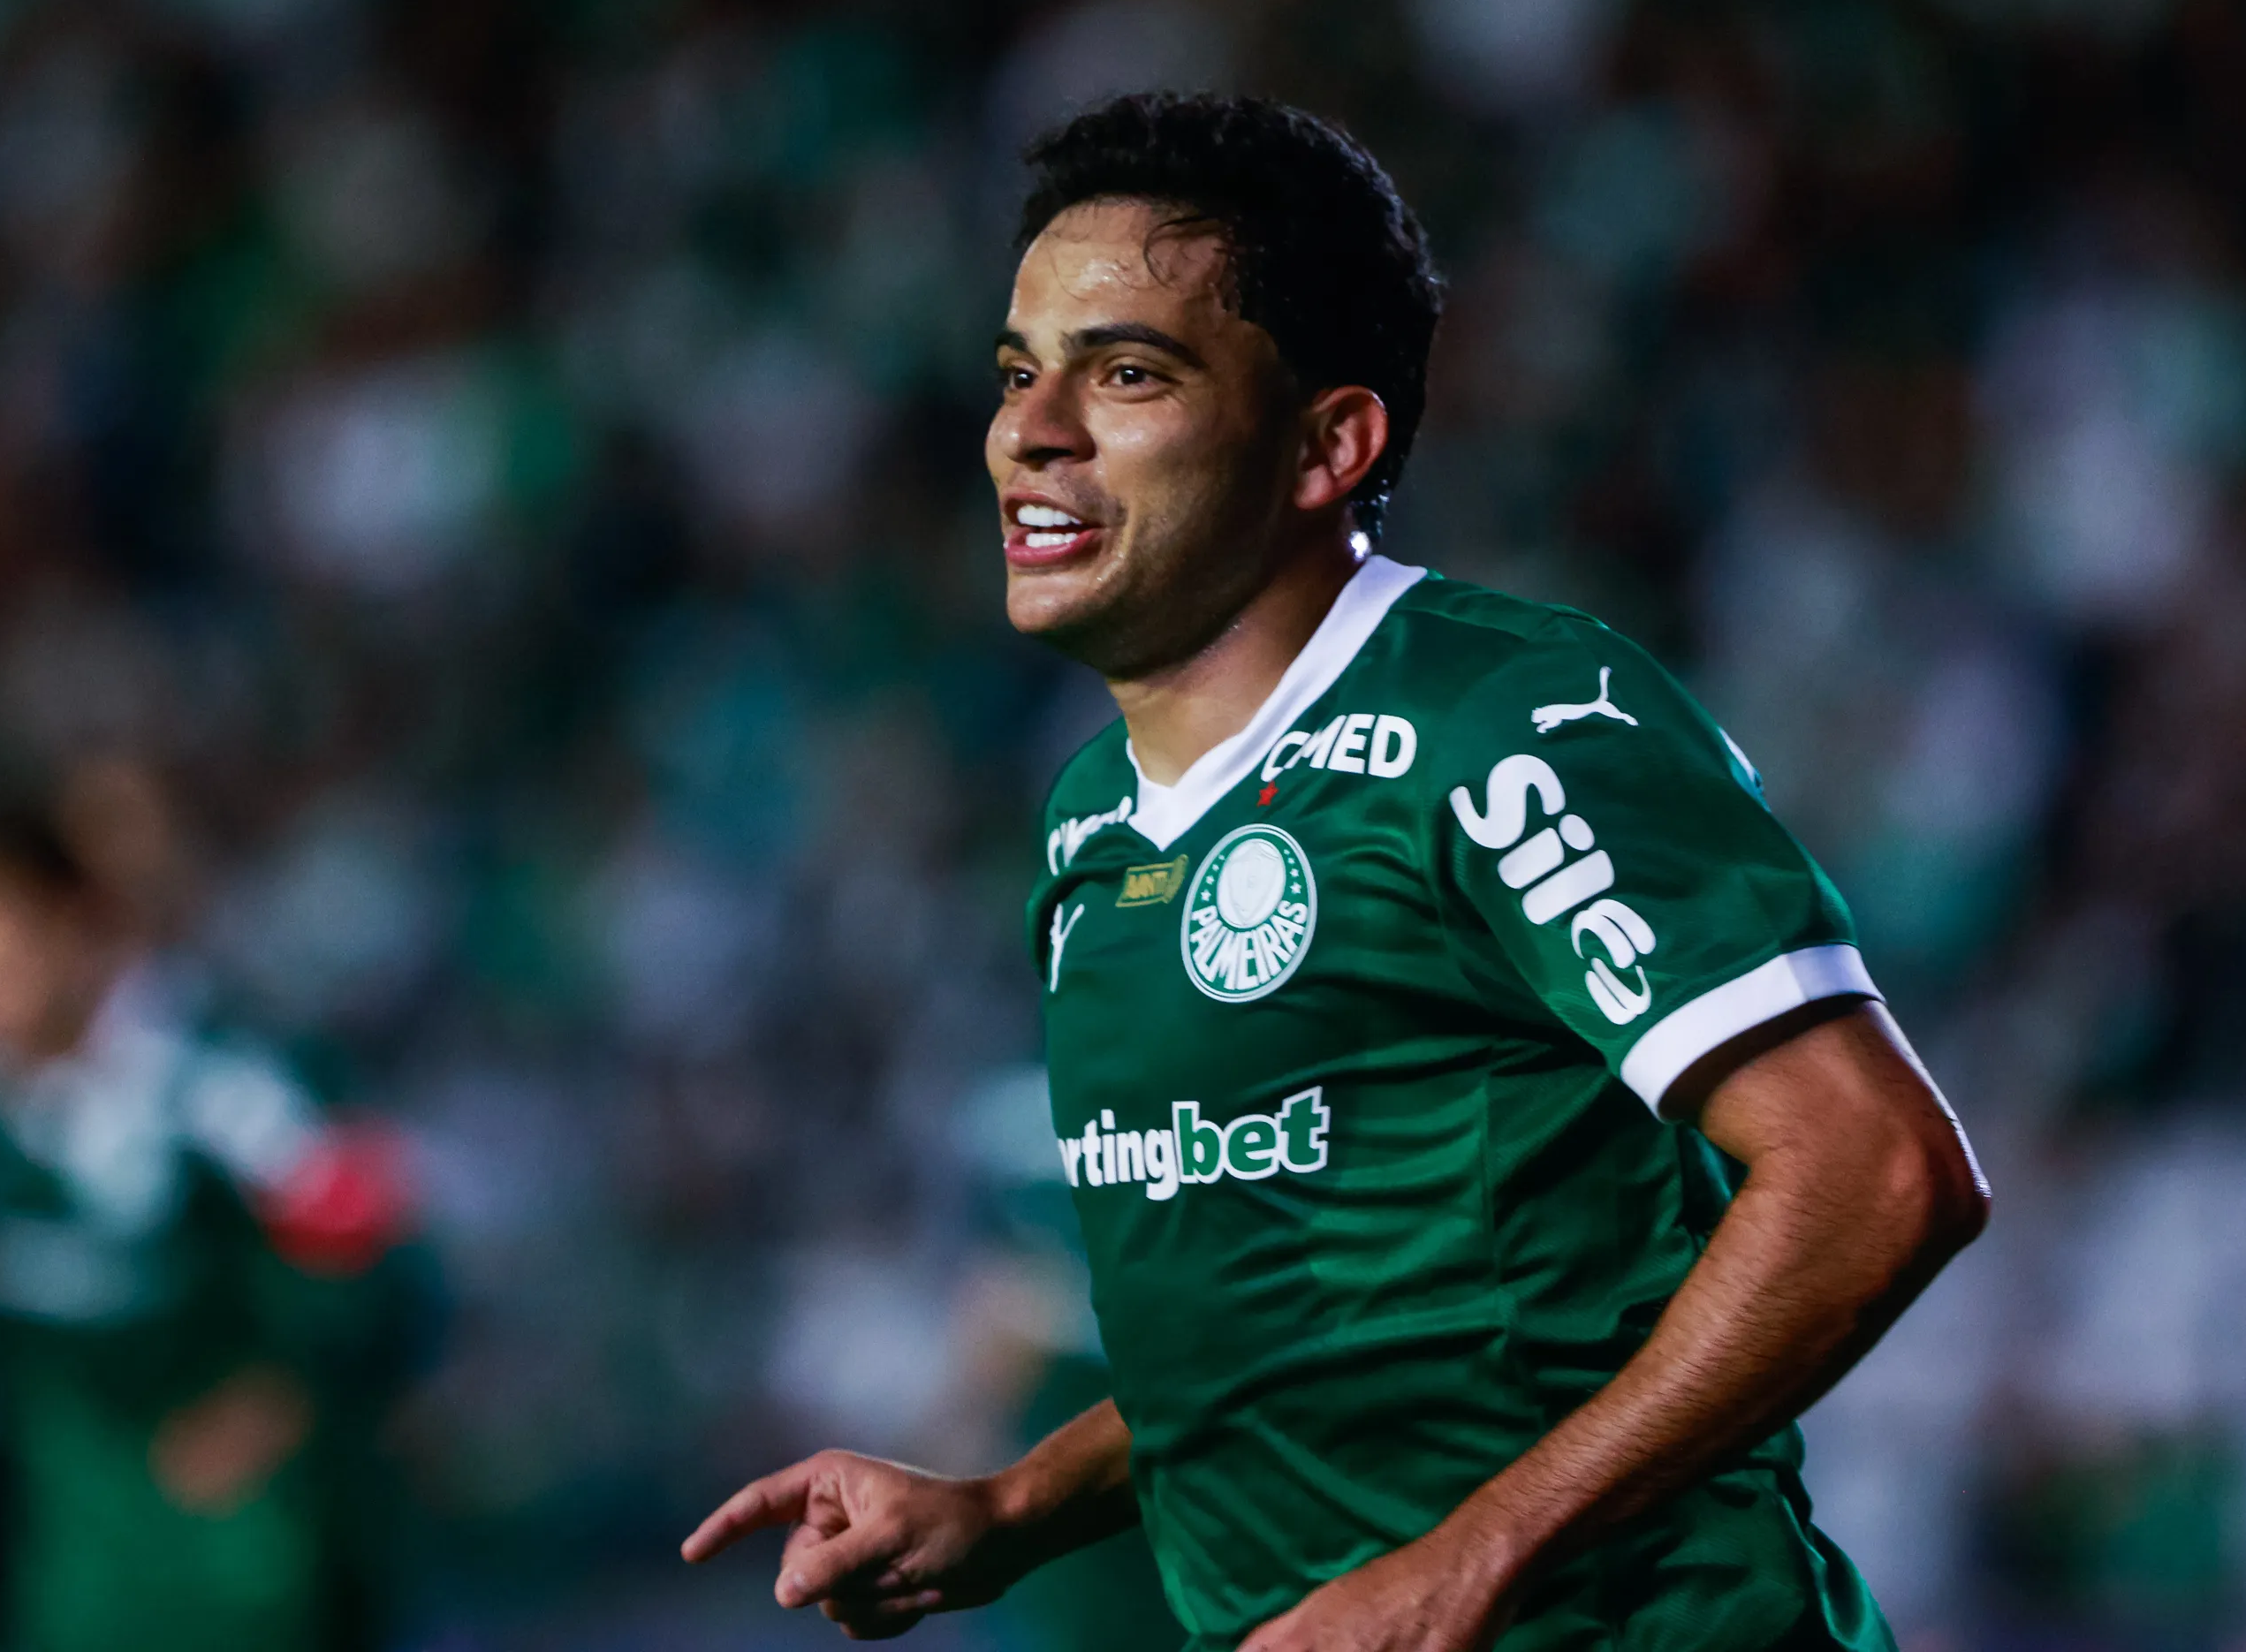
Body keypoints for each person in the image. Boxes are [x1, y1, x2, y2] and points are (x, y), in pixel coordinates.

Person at [682, 94, 1990, 1650]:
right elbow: (1302, 1343)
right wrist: (1012, 1508)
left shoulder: (1504, 724)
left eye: (1128, 374)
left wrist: (1467, 1561)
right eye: (1021, 373)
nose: (1033, 431)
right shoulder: (1093, 821)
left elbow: (1876, 1173)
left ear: (1329, 444)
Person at [0, 821, 436, 1652]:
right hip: (54, 1556)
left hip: (235, 1557)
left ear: (74, 933)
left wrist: (281, 1401)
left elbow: (383, 1272)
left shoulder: (224, 1094)